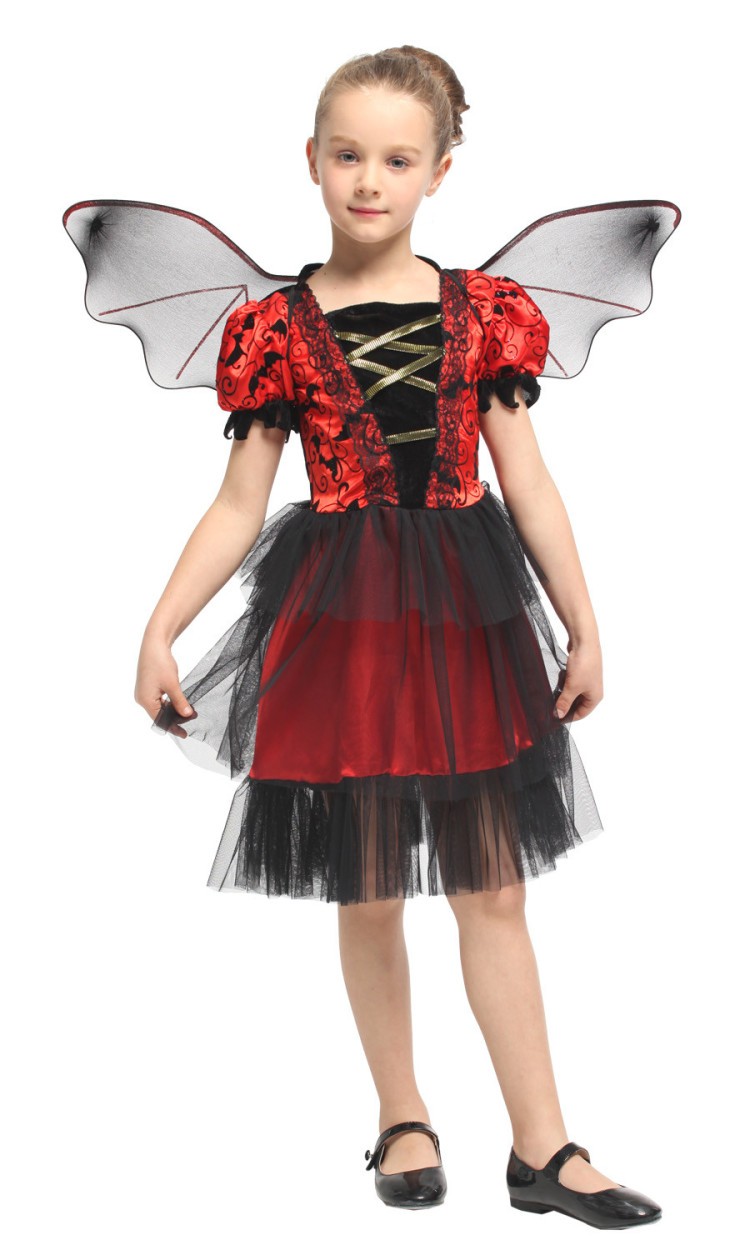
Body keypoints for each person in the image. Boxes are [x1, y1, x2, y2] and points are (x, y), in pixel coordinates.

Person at [134, 46, 662, 1229]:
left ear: (439, 171)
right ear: (312, 159)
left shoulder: (486, 315)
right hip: (345, 620)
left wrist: (583, 623)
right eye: (347, 155)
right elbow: (238, 504)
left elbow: (530, 482)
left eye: (397, 159)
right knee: (367, 885)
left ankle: (544, 1146)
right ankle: (401, 1114)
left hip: (470, 612)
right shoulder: (275, 328)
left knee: (493, 886)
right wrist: (162, 626)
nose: (369, 181)